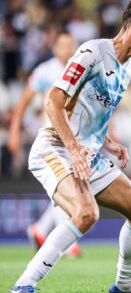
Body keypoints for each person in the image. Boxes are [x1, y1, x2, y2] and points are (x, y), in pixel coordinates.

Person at [10, 0, 131, 293]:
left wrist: (109, 142)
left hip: (88, 155)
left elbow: (92, 111)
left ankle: (125, 286)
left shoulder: (126, 69)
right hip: (55, 148)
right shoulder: (92, 52)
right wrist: (73, 148)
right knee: (87, 214)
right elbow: (53, 101)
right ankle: (24, 285)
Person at [8, 31, 82, 258]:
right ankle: (68, 244)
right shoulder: (44, 72)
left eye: (70, 44)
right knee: (63, 185)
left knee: (68, 188)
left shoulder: (82, 69)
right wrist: (14, 132)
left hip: (75, 138)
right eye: (62, 45)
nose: (66, 49)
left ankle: (40, 229)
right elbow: (23, 103)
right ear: (54, 48)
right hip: (51, 138)